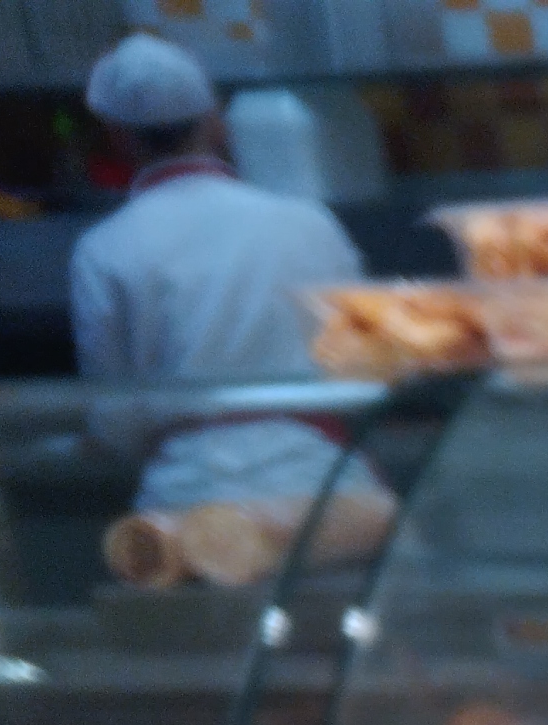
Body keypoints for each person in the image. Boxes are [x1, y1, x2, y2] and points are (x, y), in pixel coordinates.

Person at [69, 33, 368, 512]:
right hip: (329, 485)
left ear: (117, 138)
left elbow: (113, 415)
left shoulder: (103, 249)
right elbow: (362, 359)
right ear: (216, 122)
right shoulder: (309, 222)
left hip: (193, 494)